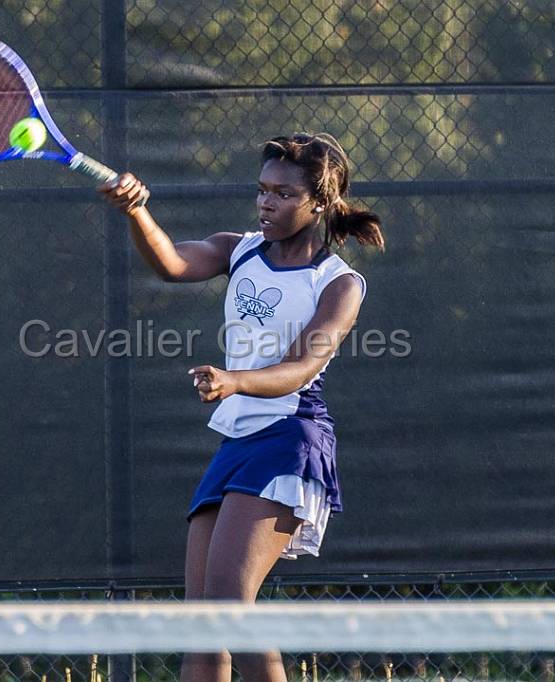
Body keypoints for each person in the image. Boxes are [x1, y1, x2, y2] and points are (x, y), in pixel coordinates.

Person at [98, 133, 384, 682]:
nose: (265, 203)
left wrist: (236, 380)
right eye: (261, 191)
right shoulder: (241, 248)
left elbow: (301, 368)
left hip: (290, 438)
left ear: (319, 203)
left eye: (282, 194)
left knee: (231, 606)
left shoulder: (339, 284)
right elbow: (172, 263)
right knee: (203, 626)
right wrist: (137, 211)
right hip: (237, 443)